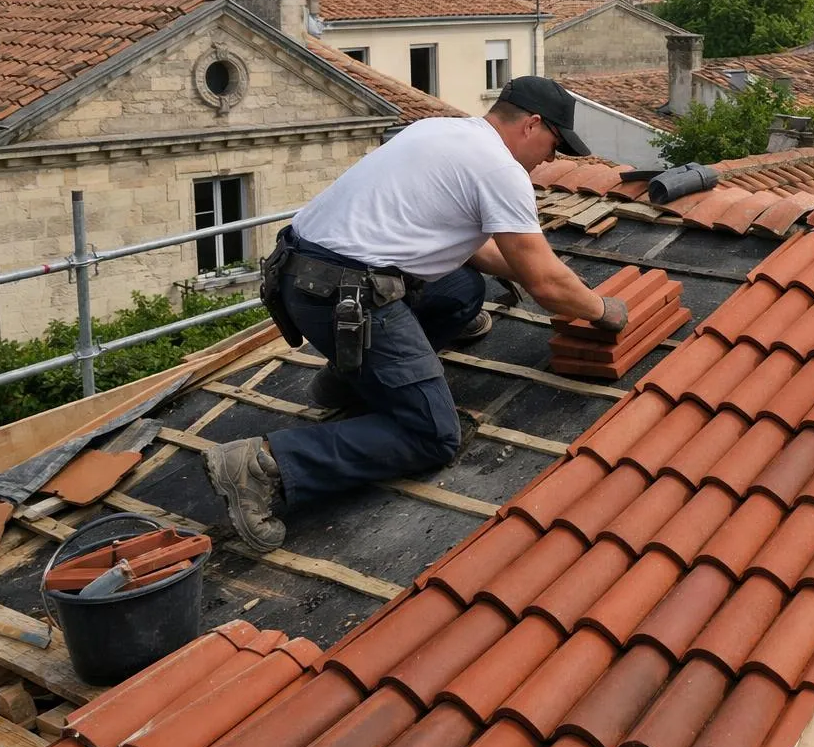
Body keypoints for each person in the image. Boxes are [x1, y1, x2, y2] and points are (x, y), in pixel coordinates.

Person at [203, 77, 629, 554]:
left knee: (462, 290)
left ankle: (349, 376)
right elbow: (549, 285)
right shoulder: (499, 169)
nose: (552, 159)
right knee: (431, 434)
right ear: (532, 124)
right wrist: (600, 309)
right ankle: (263, 464)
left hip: (299, 281)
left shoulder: (436, 131)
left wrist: (535, 272)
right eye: (554, 144)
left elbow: (486, 252)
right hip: (345, 298)